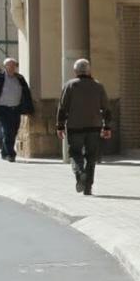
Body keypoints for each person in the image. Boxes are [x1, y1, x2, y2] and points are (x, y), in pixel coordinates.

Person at [56, 59, 113, 195]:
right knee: (91, 156)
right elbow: (106, 108)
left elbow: (62, 107)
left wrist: (60, 125)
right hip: (94, 126)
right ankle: (88, 187)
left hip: (75, 126)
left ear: (75, 71)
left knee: (75, 154)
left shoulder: (69, 85)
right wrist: (107, 127)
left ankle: (80, 172)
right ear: (89, 71)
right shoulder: (98, 86)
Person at [0, 58, 35, 162]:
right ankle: (10, 154)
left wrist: (29, 109)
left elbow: (26, 94)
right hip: (3, 108)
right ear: (5, 67)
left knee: (14, 131)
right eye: (9, 66)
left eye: (14, 66)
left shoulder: (20, 78)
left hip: (16, 108)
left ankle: (4, 152)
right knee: (8, 131)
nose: (12, 68)